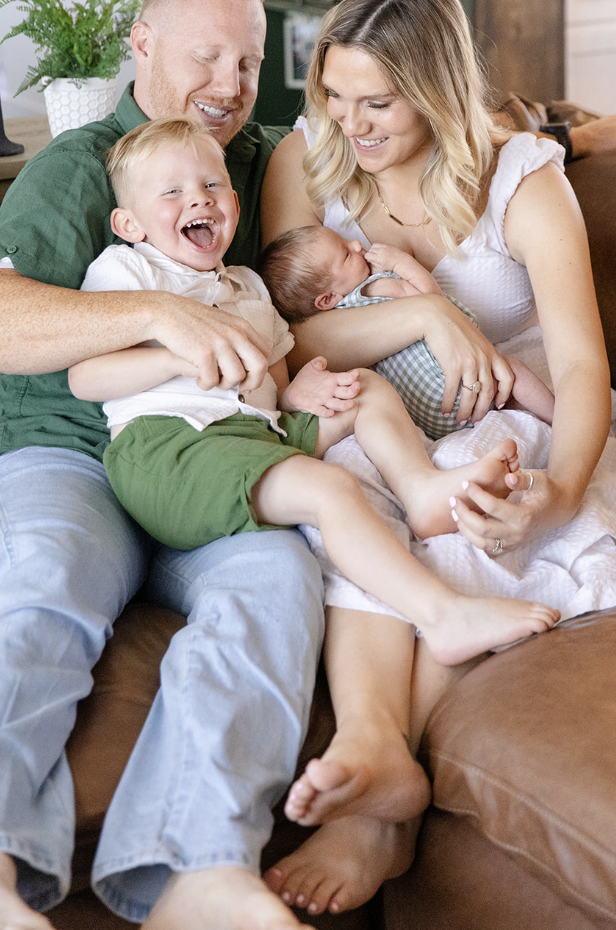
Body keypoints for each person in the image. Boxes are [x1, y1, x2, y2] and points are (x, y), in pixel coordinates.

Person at [0, 0, 331, 930]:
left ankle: (199, 871)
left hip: (214, 457)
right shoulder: (83, 164)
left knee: (277, 581)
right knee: (46, 578)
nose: (228, 85)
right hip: (72, 458)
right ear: (141, 45)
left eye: (249, 60)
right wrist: (159, 316)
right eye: (205, 55)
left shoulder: (269, 163)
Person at [258, 0, 616, 917]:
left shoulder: (522, 181)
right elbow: (291, 335)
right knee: (355, 500)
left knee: (470, 525)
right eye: (335, 96)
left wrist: (559, 490)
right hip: (380, 412)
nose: (351, 123)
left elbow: (583, 367)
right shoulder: (307, 159)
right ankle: (371, 748)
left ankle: (379, 806)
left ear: (436, 88)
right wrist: (430, 316)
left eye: (378, 102)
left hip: (527, 424)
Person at [67, 116, 558, 667]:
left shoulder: (248, 285)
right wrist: (177, 356)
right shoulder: (128, 269)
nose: (199, 201)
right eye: (173, 191)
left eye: (211, 186)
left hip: (257, 434)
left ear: (232, 199)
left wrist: (301, 391)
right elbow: (84, 378)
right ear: (129, 223)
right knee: (331, 488)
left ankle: (420, 490)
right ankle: (441, 614)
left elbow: (278, 387)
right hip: (170, 449)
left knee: (363, 388)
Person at [259, 223, 555, 437]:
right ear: (327, 299)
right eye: (346, 254)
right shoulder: (376, 286)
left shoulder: (339, 323)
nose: (356, 246)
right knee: (511, 372)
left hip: (424, 411)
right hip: (451, 381)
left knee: (501, 395)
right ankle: (557, 418)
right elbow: (431, 298)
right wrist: (401, 262)